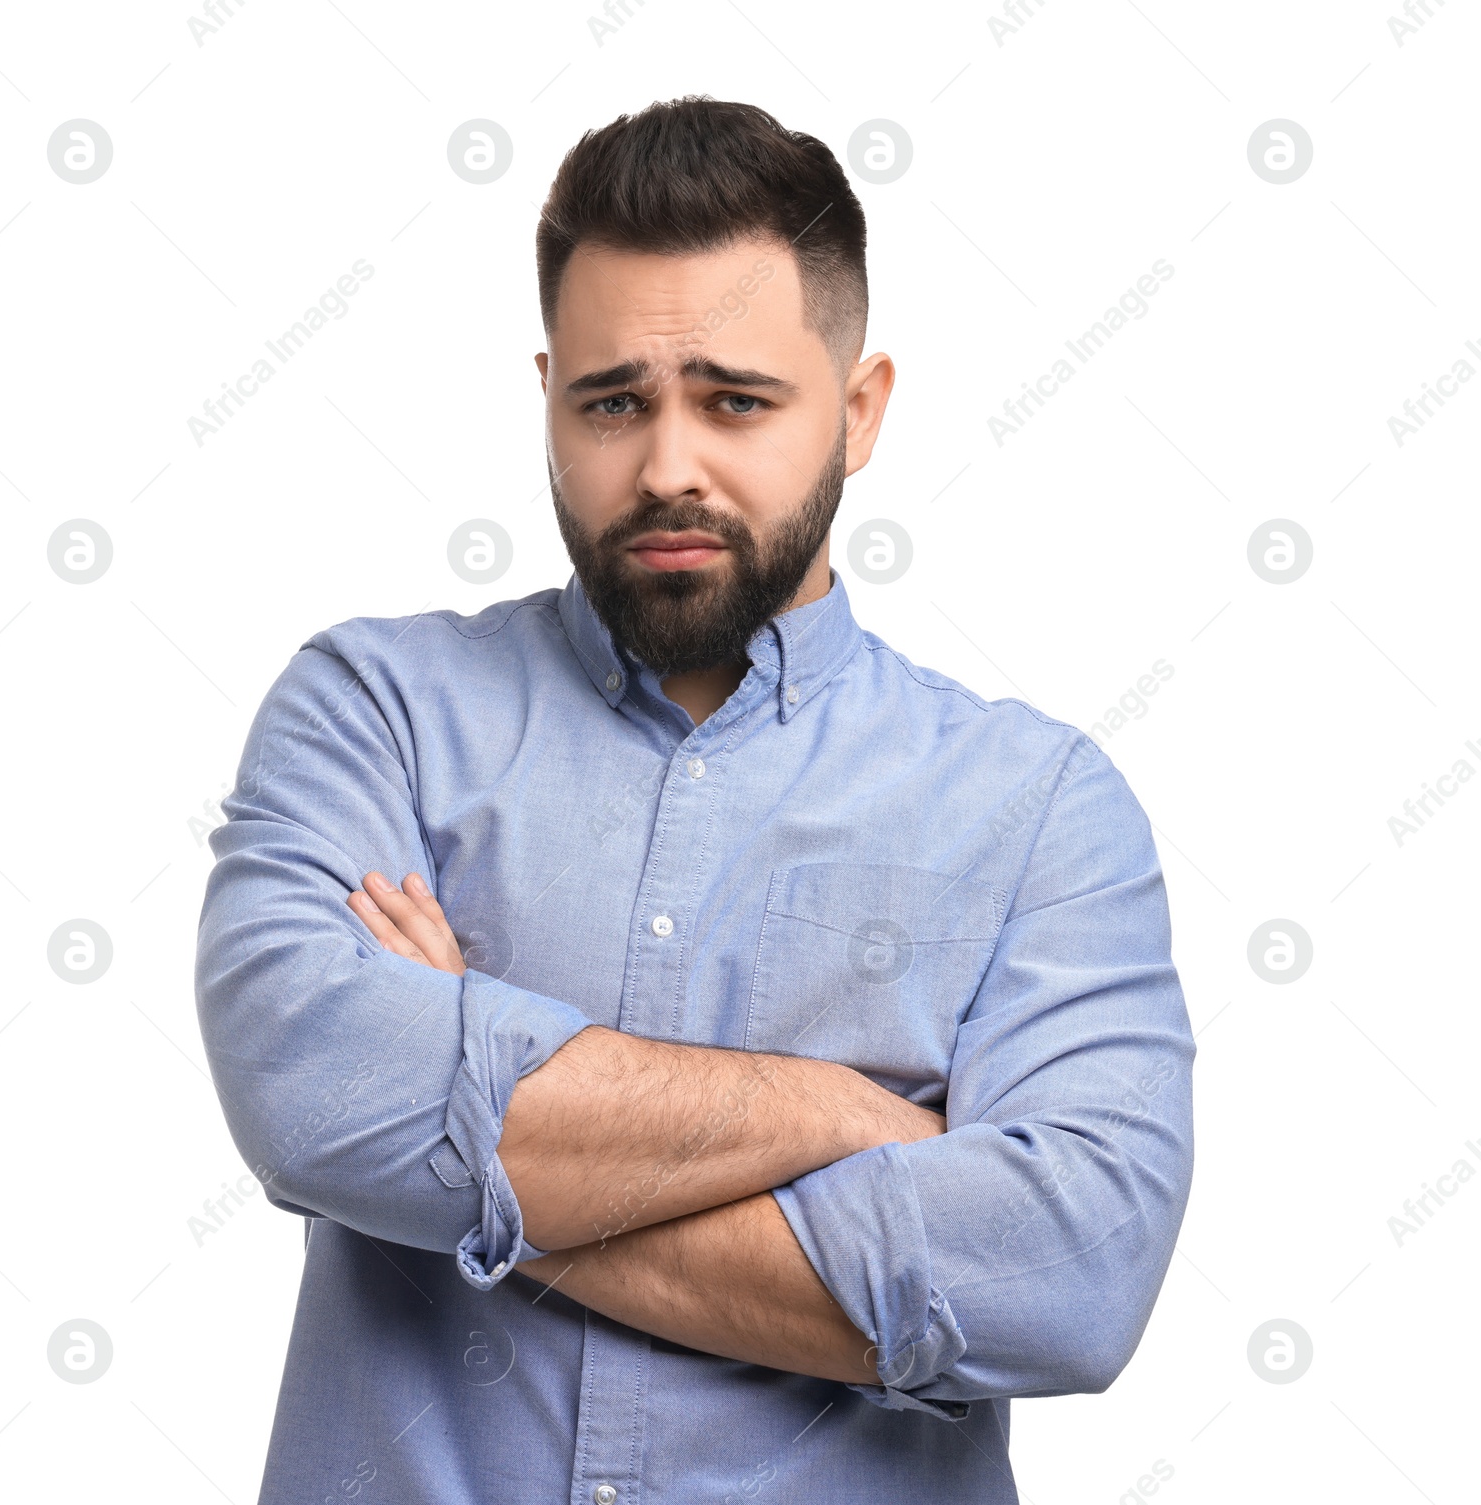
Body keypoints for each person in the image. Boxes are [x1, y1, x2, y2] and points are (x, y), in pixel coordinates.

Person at [195, 95, 1195, 1504]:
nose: (667, 464)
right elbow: (315, 1100)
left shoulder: (1037, 810)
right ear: (549, 396)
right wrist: (846, 1113)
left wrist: (466, 1168)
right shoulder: (379, 714)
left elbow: (1068, 1278)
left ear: (858, 412)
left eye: (735, 398)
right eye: (614, 400)